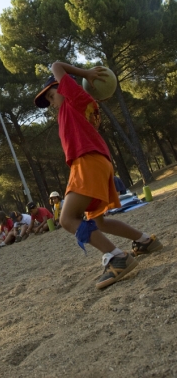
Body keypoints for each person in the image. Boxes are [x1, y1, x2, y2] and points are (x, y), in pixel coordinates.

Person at [34, 62, 162, 289]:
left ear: (62, 88)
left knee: (66, 219)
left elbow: (55, 65)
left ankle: (116, 257)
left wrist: (87, 74)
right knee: (97, 220)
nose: (52, 104)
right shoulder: (82, 106)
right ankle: (144, 241)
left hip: (87, 162)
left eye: (52, 97)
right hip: (97, 161)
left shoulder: (73, 99)